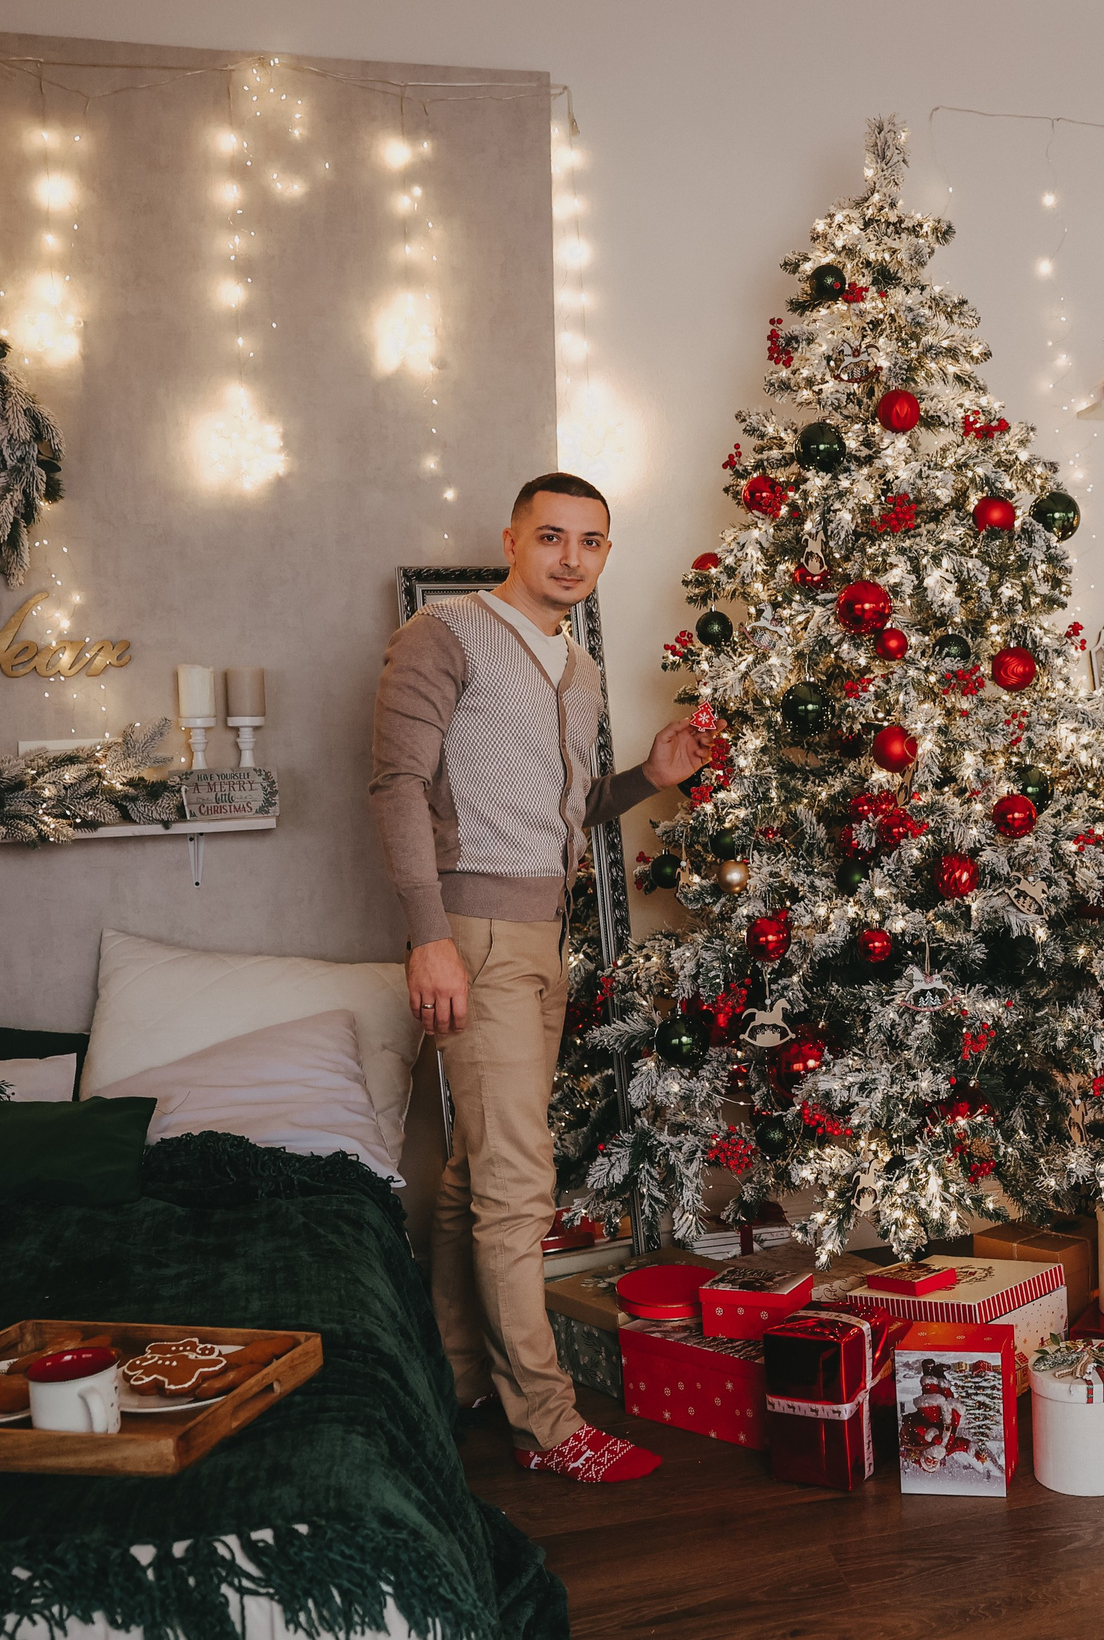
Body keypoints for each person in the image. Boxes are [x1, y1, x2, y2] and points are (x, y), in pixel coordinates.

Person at [370, 471, 704, 1484]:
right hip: (470, 933)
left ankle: (458, 1372)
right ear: (510, 537)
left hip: (537, 938)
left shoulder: (578, 665)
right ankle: (548, 1426)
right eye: (551, 535)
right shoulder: (446, 637)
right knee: (519, 1187)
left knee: (475, 1167)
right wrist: (428, 937)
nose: (570, 556)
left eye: (590, 542)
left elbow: (555, 815)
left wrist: (649, 779)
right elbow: (396, 785)